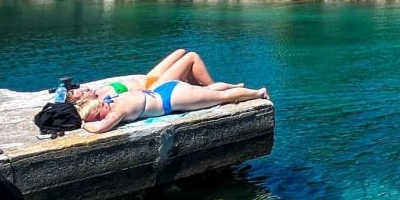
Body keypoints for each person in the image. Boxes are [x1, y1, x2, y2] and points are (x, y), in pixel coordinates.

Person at [74, 50, 269, 134]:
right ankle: (236, 87)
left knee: (222, 98)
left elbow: (100, 128)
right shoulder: (111, 99)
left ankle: (258, 93)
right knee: (210, 91)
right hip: (162, 91)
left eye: (98, 115)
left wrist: (84, 125)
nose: (101, 117)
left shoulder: (118, 112)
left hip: (171, 98)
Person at [68, 48, 218, 98]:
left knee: (181, 52)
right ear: (81, 101)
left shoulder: (97, 91)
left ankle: (196, 87)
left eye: (78, 89)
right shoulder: (102, 99)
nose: (82, 89)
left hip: (148, 79)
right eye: (79, 93)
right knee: (192, 57)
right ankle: (214, 87)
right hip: (155, 87)